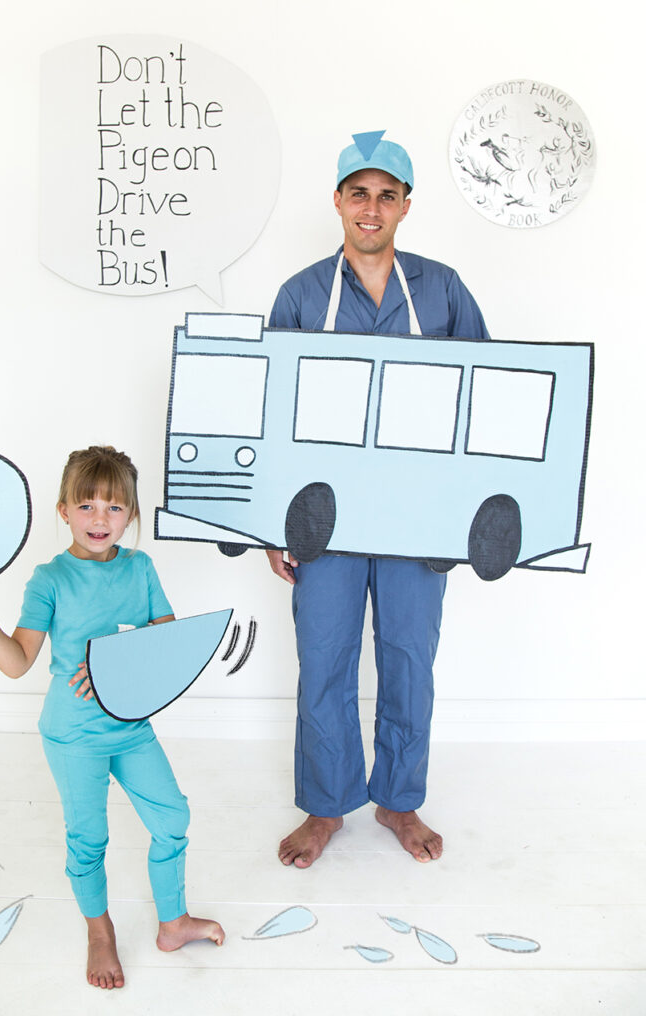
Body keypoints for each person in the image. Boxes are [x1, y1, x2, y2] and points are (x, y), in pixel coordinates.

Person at [266, 131, 490, 869]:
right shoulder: (301, 294)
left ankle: (398, 798)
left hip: (419, 516)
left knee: (407, 657)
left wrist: (468, 514)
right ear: (337, 200)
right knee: (324, 656)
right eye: (358, 193)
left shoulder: (443, 288)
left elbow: (484, 397)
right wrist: (272, 522)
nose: (371, 207)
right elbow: (271, 415)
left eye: (386, 194)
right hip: (324, 517)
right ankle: (326, 806)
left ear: (406, 206)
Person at [0, 446, 224, 990]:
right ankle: (99, 931)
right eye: (87, 506)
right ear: (63, 511)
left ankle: (172, 922)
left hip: (130, 727)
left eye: (115, 508)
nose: (101, 520)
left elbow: (165, 646)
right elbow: (18, 662)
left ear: (132, 514)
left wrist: (110, 662)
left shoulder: (141, 568)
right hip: (73, 731)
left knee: (172, 816)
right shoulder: (50, 578)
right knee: (89, 837)